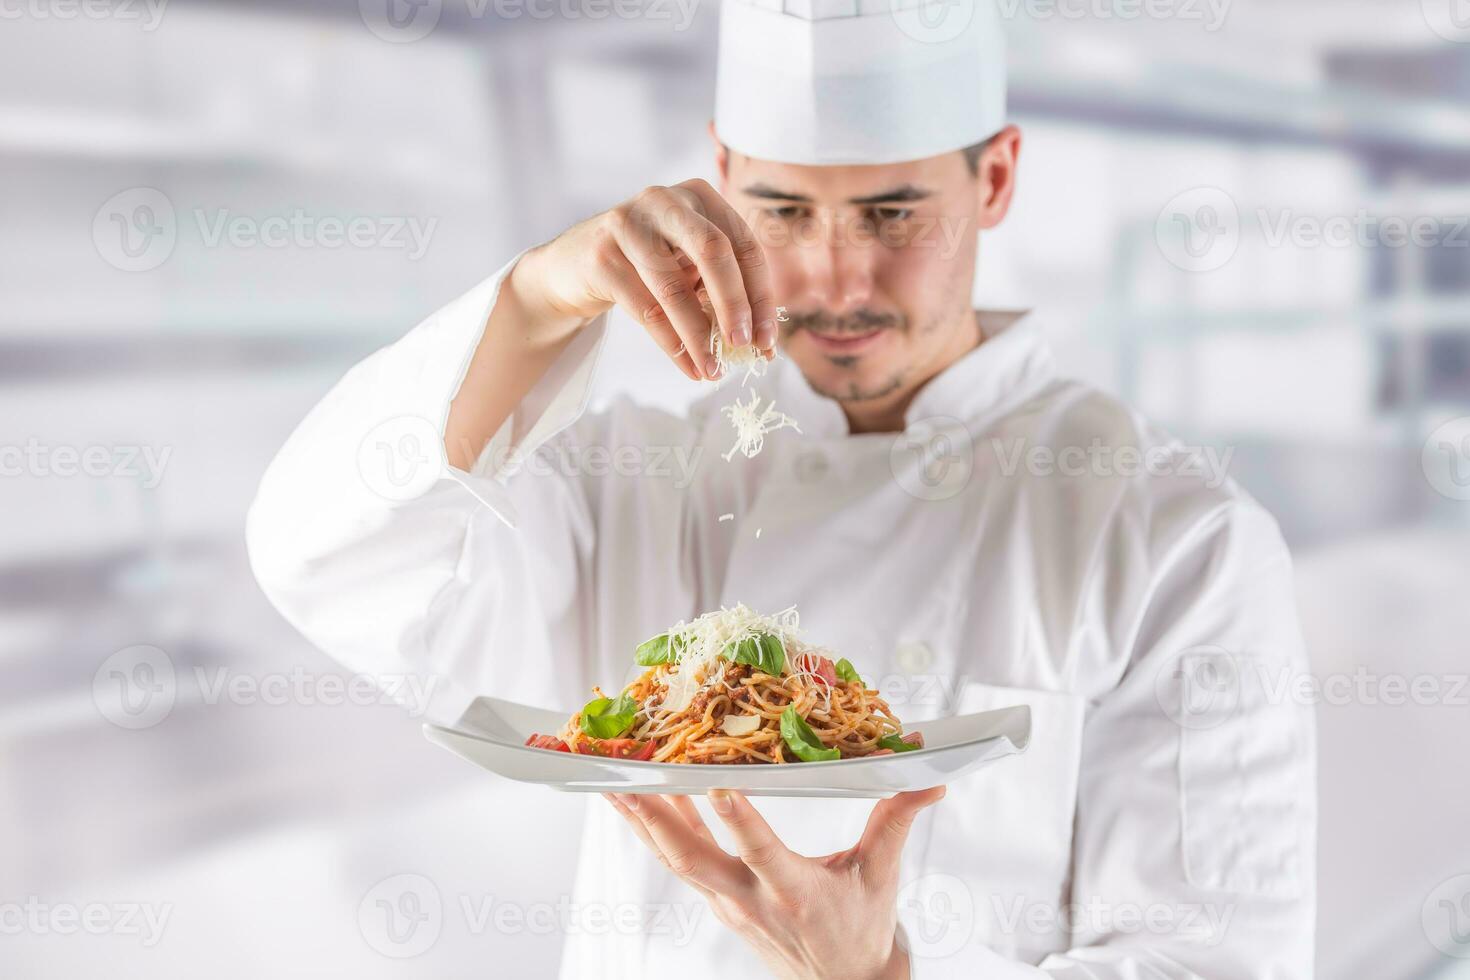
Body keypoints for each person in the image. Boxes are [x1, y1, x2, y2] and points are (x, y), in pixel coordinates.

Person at [246, 1, 1315, 976]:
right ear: (720, 171)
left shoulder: (1177, 535)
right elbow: (321, 549)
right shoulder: (640, 485)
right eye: (785, 212)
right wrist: (537, 298)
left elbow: (1217, 960)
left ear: (994, 178)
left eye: (894, 215)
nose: (835, 279)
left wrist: (887, 974)